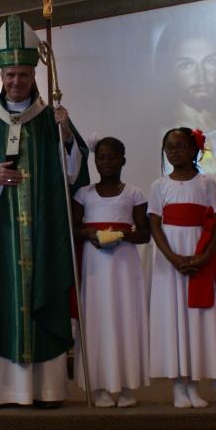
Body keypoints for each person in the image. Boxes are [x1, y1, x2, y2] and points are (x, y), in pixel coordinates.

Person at [0, 13, 88, 407]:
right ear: (1, 75)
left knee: (41, 299)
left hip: (42, 233)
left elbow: (74, 175)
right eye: (10, 75)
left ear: (35, 75)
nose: (17, 82)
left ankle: (46, 389)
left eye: (24, 75)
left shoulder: (51, 119)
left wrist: (67, 138)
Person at [148, 127, 216, 408]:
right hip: (169, 257)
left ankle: (194, 383)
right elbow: (155, 224)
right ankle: (177, 385)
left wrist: (205, 255)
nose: (174, 152)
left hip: (198, 252)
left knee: (195, 319)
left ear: (194, 149)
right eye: (169, 147)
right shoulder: (159, 185)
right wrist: (172, 256)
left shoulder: (208, 183)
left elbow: (215, 221)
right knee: (173, 317)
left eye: (181, 146)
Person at [71, 136, 150, 408]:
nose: (106, 162)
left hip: (124, 266)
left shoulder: (135, 194)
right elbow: (73, 229)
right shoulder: (84, 194)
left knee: (125, 319)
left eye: (112, 157)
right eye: (101, 157)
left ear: (123, 160)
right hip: (95, 267)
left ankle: (127, 386)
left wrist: (121, 235)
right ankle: (101, 385)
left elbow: (144, 234)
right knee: (98, 320)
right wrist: (90, 232)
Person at [153, 19, 216, 177]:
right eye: (186, 65)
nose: (201, 76)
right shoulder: (159, 135)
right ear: (168, 71)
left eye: (210, 62)